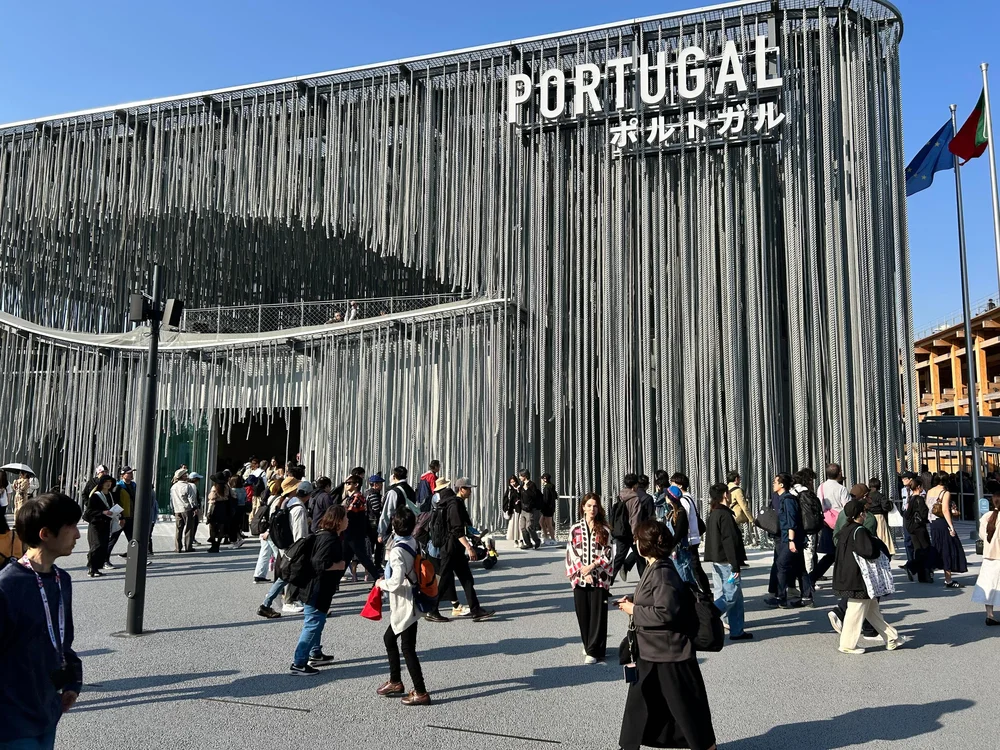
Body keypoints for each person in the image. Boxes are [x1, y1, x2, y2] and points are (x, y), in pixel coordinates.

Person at [617, 520, 717, 750]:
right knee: (639, 706)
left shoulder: (662, 572)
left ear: (645, 545)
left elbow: (667, 612)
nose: (634, 543)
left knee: (686, 709)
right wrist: (634, 602)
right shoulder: (655, 568)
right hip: (652, 651)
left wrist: (635, 610)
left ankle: (706, 746)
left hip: (669, 654)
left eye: (637, 539)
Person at [0, 494, 83, 749]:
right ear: (46, 533)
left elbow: (61, 640)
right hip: (11, 719)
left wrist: (72, 680)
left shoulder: (62, 580)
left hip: (47, 709)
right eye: (71, 527)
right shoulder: (7, 586)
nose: (78, 536)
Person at [376, 506, 431, 704]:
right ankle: (396, 681)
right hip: (413, 597)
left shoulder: (398, 550)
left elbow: (396, 581)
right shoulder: (413, 541)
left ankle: (420, 691)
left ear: (394, 525)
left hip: (404, 601)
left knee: (406, 647)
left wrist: (381, 583)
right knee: (394, 641)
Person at [833, 499, 904, 654]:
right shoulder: (860, 531)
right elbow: (869, 552)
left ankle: (892, 638)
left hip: (847, 575)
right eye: (864, 512)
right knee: (856, 611)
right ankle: (847, 644)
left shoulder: (845, 530)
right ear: (860, 514)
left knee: (872, 611)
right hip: (860, 578)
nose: (865, 514)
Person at [425, 477, 495, 622]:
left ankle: (476, 610)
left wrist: (472, 536)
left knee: (467, 579)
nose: (470, 491)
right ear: (461, 489)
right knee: (444, 580)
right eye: (468, 488)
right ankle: (432, 611)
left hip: (454, 548)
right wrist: (469, 547)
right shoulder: (454, 504)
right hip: (451, 548)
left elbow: (460, 528)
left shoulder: (453, 503)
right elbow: (456, 530)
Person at [290, 505, 347, 675]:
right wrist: (338, 565)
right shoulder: (329, 539)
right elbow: (318, 563)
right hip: (316, 589)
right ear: (338, 521)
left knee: (318, 621)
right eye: (346, 517)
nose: (348, 520)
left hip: (317, 588)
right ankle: (299, 663)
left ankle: (315, 652)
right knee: (313, 623)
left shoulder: (324, 535)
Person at [565, 493, 614, 664]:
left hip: (599, 576)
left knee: (597, 613)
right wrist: (583, 571)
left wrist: (592, 567)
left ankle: (593, 649)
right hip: (580, 576)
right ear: (583, 507)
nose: (592, 509)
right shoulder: (574, 529)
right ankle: (588, 644)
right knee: (583, 613)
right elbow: (571, 551)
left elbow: (608, 553)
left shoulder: (605, 529)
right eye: (589, 505)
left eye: (595, 506)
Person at [703, 483, 752, 641]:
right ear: (725, 495)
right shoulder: (725, 515)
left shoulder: (714, 513)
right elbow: (729, 541)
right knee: (730, 595)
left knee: (736, 596)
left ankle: (737, 630)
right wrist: (735, 564)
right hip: (727, 562)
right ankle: (709, 615)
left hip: (718, 561)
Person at [258, 481, 312, 618]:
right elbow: (300, 535)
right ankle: (274, 603)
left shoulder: (288, 502)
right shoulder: (299, 509)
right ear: (309, 495)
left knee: (286, 577)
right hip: (295, 548)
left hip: (285, 546)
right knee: (291, 576)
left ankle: (268, 603)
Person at [769, 472, 813, 608]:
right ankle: (807, 597)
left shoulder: (788, 499)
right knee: (800, 567)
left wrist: (791, 540)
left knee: (781, 565)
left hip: (791, 539)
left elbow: (791, 521)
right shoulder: (783, 498)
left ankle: (781, 597)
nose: (773, 484)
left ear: (781, 485)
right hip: (790, 538)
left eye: (775, 482)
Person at [670, 473, 711, 594]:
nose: (671, 487)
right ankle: (705, 593)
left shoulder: (683, 500)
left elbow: (683, 520)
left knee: (693, 569)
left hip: (689, 540)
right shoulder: (689, 497)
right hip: (692, 538)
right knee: (695, 568)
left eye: (673, 484)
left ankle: (704, 595)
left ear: (680, 485)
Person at [343, 477, 380, 583]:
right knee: (345, 558)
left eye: (349, 483)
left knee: (362, 557)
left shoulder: (358, 497)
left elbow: (349, 511)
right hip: (350, 531)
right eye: (346, 483)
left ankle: (377, 578)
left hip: (355, 532)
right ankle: (334, 582)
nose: (346, 485)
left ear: (356, 484)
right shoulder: (350, 497)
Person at [973, 491, 1000, 625]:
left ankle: (990, 615)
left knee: (989, 586)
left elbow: (982, 536)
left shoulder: (986, 517)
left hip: (989, 556)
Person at [929, 500, 968, 589]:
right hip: (944, 525)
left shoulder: (930, 493)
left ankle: (928, 570)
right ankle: (948, 580)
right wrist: (951, 527)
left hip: (935, 524)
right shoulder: (946, 496)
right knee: (948, 551)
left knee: (937, 550)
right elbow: (949, 512)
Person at [83, 475, 116, 577]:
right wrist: (103, 512)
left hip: (106, 524)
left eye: (110, 481)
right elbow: (89, 511)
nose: (108, 483)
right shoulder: (96, 495)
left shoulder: (110, 495)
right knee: (96, 546)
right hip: (95, 524)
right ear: (101, 483)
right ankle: (91, 568)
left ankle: (96, 568)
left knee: (103, 546)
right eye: (106, 481)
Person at [903, 478, 933, 583]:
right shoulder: (919, 500)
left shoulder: (910, 499)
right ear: (919, 487)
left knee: (918, 550)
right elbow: (924, 514)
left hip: (911, 528)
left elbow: (906, 515)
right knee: (925, 549)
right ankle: (922, 572)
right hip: (919, 527)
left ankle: (918, 573)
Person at [377, 467, 418, 543]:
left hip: (396, 531)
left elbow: (387, 513)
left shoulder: (394, 492)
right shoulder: (411, 490)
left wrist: (381, 532)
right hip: (410, 529)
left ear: (394, 477)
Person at [108, 466, 136, 559]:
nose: (131, 475)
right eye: (129, 473)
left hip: (131, 516)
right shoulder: (118, 487)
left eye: (132, 473)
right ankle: (105, 559)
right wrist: (120, 517)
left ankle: (136, 559)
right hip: (121, 517)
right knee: (113, 539)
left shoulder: (134, 485)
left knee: (133, 539)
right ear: (123, 475)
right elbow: (115, 503)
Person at [170, 469, 198, 553]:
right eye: (185, 475)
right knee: (189, 528)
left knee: (178, 528)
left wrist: (172, 509)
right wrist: (194, 508)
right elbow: (191, 498)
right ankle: (188, 546)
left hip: (177, 509)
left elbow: (171, 499)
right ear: (182, 476)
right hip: (186, 508)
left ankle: (178, 547)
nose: (187, 476)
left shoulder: (173, 487)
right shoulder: (187, 486)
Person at [866, 478, 896, 557]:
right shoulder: (880, 496)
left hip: (869, 516)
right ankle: (884, 550)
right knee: (882, 535)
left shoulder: (867, 496)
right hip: (879, 516)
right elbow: (886, 507)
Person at [205, 473, 232, 554]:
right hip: (224, 507)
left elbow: (211, 501)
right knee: (221, 527)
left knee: (212, 527)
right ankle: (218, 544)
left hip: (216, 507)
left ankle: (213, 544)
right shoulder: (227, 487)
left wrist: (208, 513)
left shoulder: (214, 488)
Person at [518, 470, 543, 550]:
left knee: (529, 526)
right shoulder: (522, 485)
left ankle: (537, 540)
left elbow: (534, 496)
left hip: (529, 509)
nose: (519, 477)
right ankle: (528, 543)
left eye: (520, 476)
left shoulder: (531, 484)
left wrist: (526, 490)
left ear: (524, 476)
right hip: (523, 509)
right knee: (522, 527)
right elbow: (522, 496)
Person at [366, 475, 385, 570]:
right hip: (374, 523)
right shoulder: (373, 494)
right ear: (375, 484)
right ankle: (376, 564)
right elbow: (376, 509)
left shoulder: (369, 493)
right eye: (380, 483)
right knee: (377, 544)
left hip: (371, 522)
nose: (381, 486)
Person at [540, 473, 558, 545]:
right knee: (541, 522)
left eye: (542, 479)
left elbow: (546, 499)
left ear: (545, 479)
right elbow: (555, 496)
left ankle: (553, 539)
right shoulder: (552, 487)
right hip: (550, 508)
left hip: (547, 509)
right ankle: (546, 537)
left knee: (549, 524)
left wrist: (543, 507)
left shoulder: (547, 488)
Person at [503, 475, 521, 541]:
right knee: (512, 524)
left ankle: (519, 538)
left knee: (518, 524)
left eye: (514, 481)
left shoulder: (519, 488)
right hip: (512, 509)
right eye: (511, 482)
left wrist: (518, 491)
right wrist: (505, 509)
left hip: (518, 509)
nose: (513, 483)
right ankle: (513, 538)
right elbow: (506, 498)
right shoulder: (509, 489)